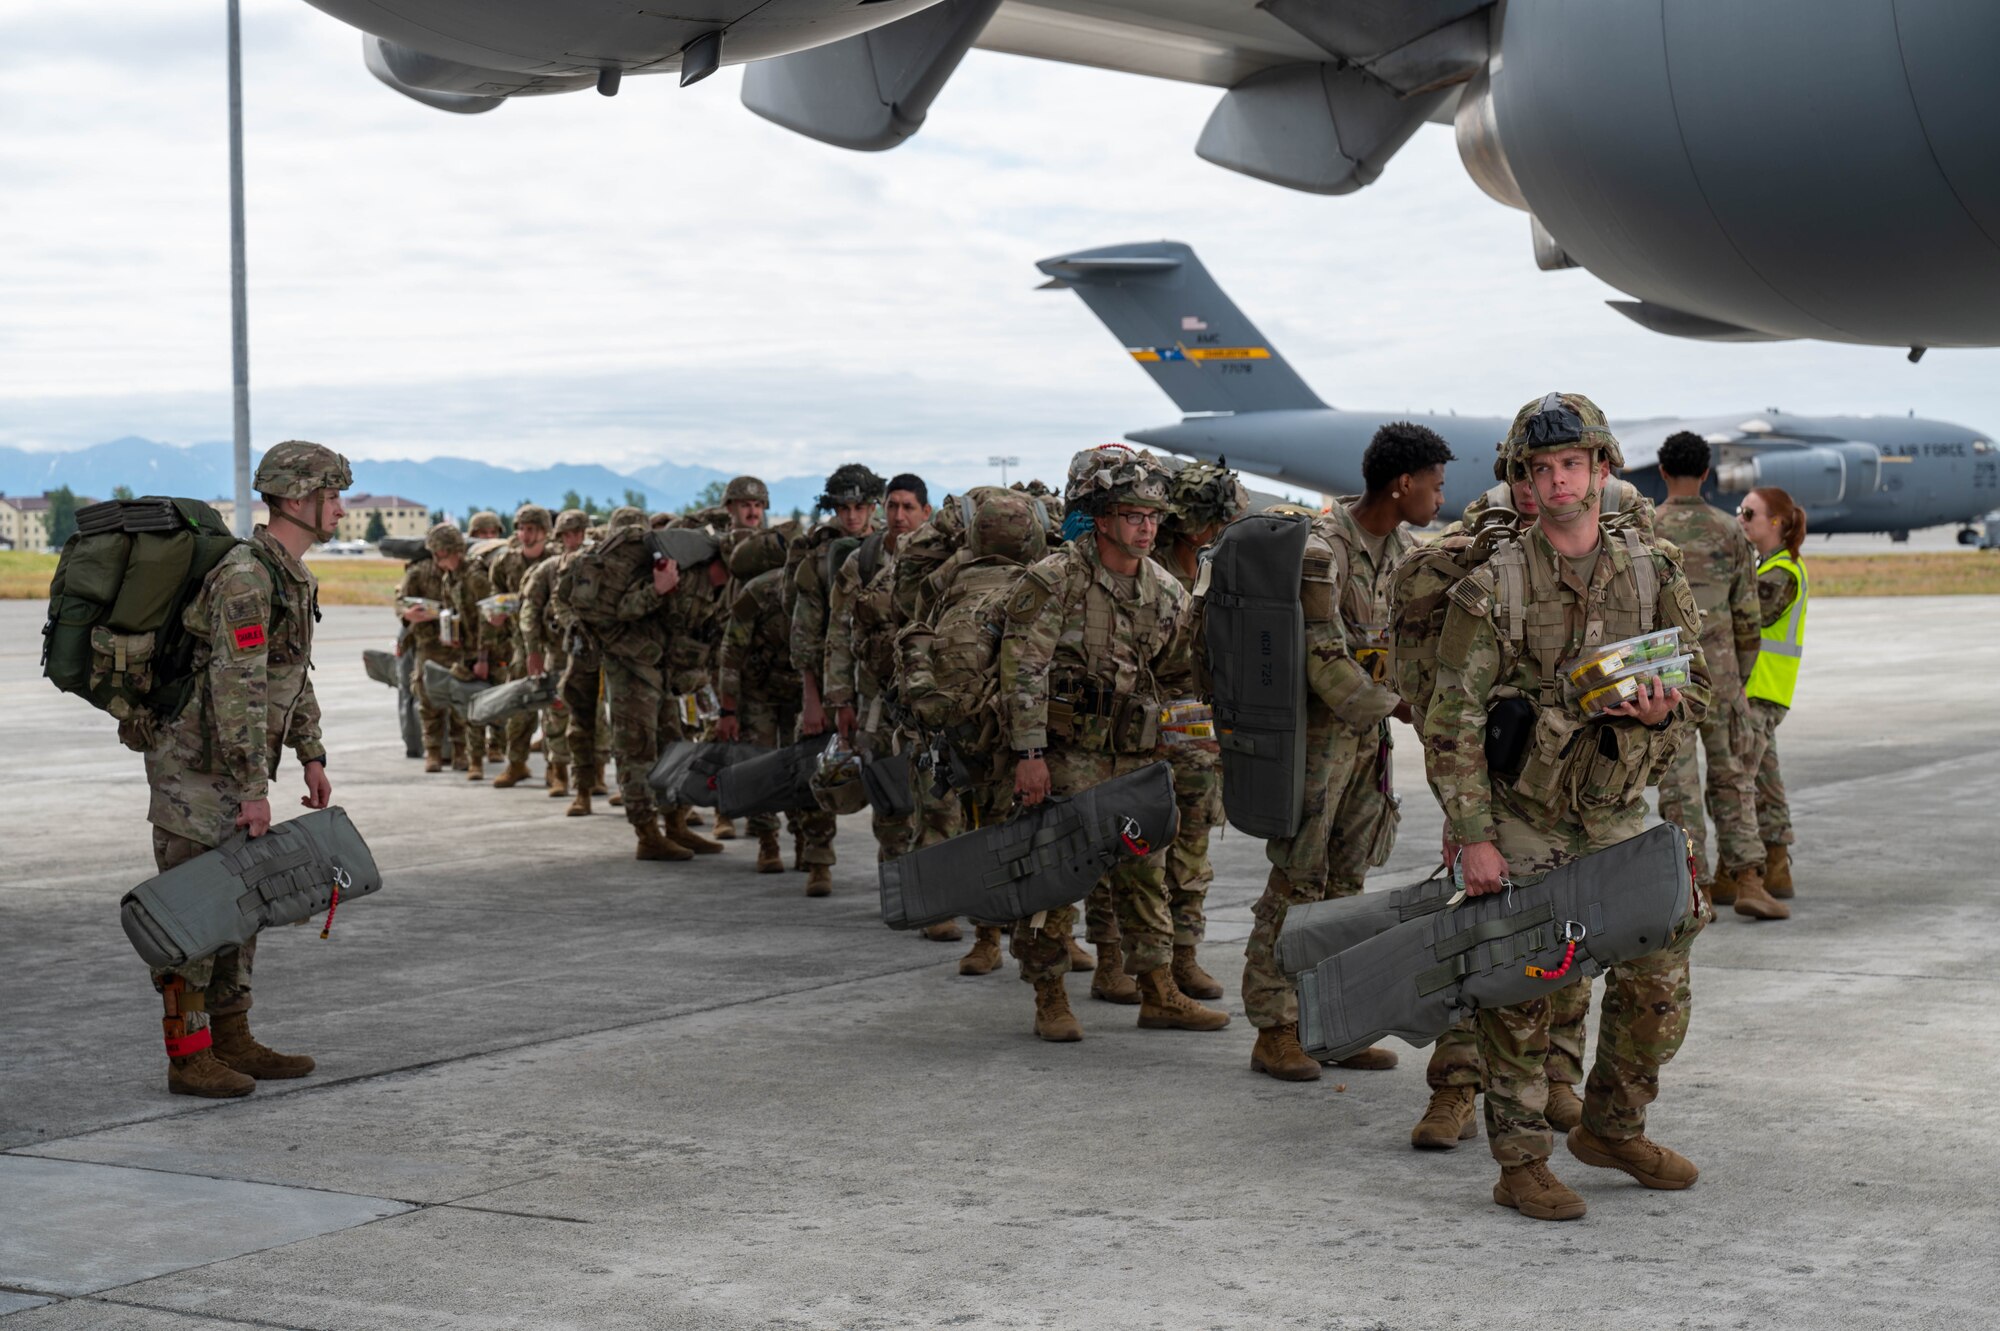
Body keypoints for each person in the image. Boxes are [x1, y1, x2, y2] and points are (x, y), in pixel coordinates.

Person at [1424, 392, 1709, 1221]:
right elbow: (1452, 720)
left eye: (1571, 466)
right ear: (1524, 481)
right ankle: (1519, 1161)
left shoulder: (1653, 569)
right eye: (1541, 470)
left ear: (1602, 470)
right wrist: (1474, 837)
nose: (1557, 482)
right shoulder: (1493, 586)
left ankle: (1613, 1125)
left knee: (1663, 958)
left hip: (1616, 802)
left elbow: (1694, 682)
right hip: (1527, 809)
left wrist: (1665, 709)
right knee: (1524, 982)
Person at [1243, 423, 1456, 1083]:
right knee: (1298, 879)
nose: (1439, 498)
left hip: (1368, 737)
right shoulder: (1321, 549)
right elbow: (1324, 660)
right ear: (1402, 483)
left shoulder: (1402, 548)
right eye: (1435, 483)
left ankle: (1329, 1022)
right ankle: (1273, 1025)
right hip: (1318, 740)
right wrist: (1400, 707)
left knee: (1347, 881)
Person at [144, 440, 350, 1097]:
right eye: (333, 495)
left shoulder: (291, 573)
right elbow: (238, 688)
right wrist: (253, 789)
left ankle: (232, 1038)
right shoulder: (248, 576)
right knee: (196, 913)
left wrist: (311, 751)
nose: (341, 508)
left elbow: (290, 674)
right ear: (298, 499)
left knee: (240, 905)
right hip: (200, 773)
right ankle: (188, 1056)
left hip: (237, 768)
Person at [1001, 444, 1221, 1041]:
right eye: (1132, 516)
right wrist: (1029, 757)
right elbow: (1023, 671)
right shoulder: (1055, 581)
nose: (1146, 528)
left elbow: (1179, 679)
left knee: (1144, 872)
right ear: (1101, 519)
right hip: (1066, 755)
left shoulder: (1166, 591)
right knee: (1055, 876)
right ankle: (1049, 996)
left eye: (1152, 517)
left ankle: (1157, 991)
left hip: (1136, 756)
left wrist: (1191, 751)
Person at [1651, 435, 1784, 919]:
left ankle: (1696, 888)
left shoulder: (1648, 530)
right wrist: (1740, 678)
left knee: (1678, 785)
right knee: (1733, 777)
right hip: (1722, 676)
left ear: (1663, 472)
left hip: (1668, 679)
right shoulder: (1730, 531)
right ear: (1707, 474)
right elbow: (1747, 615)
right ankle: (1749, 878)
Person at [1738, 486, 1810, 905]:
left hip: (1761, 690)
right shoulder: (1769, 566)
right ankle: (1777, 865)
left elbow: (1747, 617)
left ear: (1776, 523)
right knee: (1764, 780)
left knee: (1739, 784)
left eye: (1749, 513)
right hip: (1762, 690)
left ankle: (1744, 867)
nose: (1742, 520)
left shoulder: (1781, 573)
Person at [520, 508, 590, 798]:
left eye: (578, 533)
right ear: (559, 537)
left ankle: (592, 775)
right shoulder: (548, 570)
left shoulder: (596, 564)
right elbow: (530, 611)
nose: (573, 539)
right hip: (558, 653)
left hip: (591, 654)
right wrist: (532, 650)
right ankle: (558, 772)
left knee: (593, 718)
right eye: (567, 534)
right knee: (556, 714)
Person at [487, 504, 556, 789]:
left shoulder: (558, 560)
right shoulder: (505, 563)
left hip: (554, 645)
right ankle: (516, 763)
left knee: (554, 709)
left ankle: (557, 767)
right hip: (520, 644)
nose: (525, 535)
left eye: (531, 529)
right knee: (519, 707)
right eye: (521, 529)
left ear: (544, 531)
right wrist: (495, 614)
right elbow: (495, 599)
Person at [401, 523, 469, 772]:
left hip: (458, 646)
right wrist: (409, 614)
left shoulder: (466, 572)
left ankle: (461, 751)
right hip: (428, 645)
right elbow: (401, 603)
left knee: (459, 699)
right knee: (427, 699)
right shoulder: (419, 572)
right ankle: (433, 752)